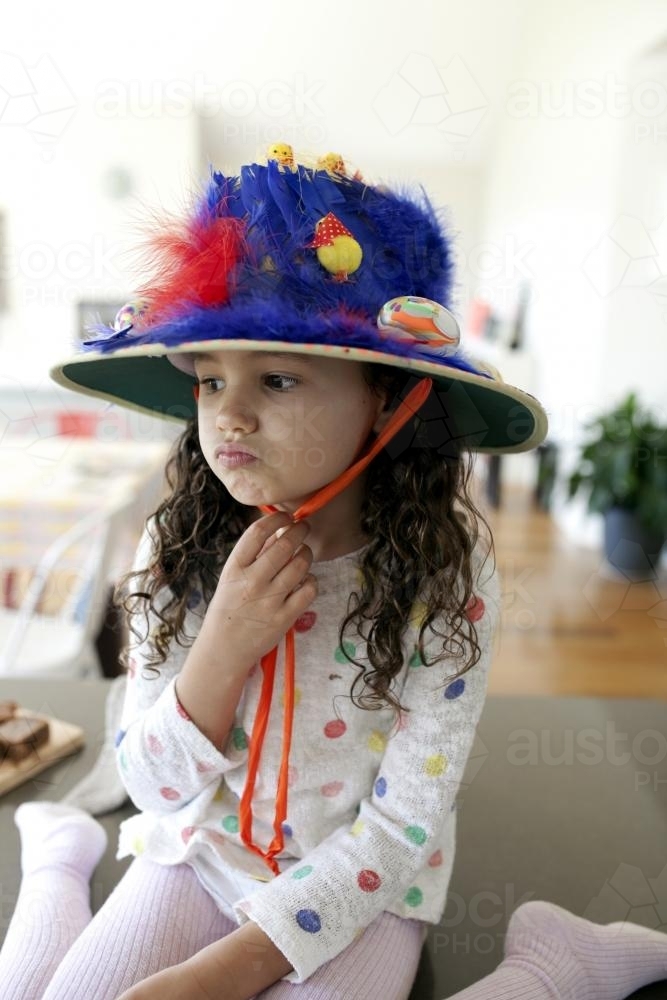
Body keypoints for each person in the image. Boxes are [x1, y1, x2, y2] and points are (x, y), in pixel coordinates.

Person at [0, 147, 664, 1000]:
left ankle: (556, 963)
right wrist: (224, 645)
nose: (228, 414)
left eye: (276, 378)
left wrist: (222, 975)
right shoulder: (173, 551)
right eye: (207, 382)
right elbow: (151, 785)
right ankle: (61, 852)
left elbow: (399, 831)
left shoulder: (442, 583)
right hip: (200, 854)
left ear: (386, 398)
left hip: (362, 888)